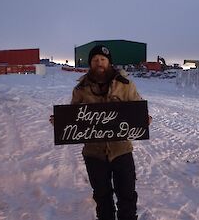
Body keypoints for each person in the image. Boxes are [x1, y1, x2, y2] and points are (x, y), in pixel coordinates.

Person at [50, 45, 152, 220]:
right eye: (95, 60)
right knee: (102, 196)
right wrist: (61, 122)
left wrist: (143, 119)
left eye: (103, 60)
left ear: (109, 62)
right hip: (94, 152)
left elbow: (137, 106)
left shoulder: (125, 85)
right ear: (90, 63)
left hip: (121, 150)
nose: (99, 63)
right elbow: (73, 115)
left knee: (127, 194)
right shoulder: (81, 89)